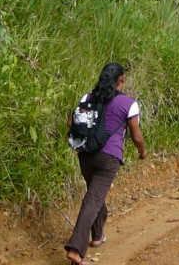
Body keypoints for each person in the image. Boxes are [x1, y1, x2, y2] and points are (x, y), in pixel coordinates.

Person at [65, 62, 146, 265]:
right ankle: (76, 248)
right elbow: (136, 136)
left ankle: (98, 236)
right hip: (109, 158)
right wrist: (142, 152)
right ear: (122, 80)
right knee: (93, 198)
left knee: (95, 194)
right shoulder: (129, 104)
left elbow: (70, 122)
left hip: (85, 154)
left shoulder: (87, 98)